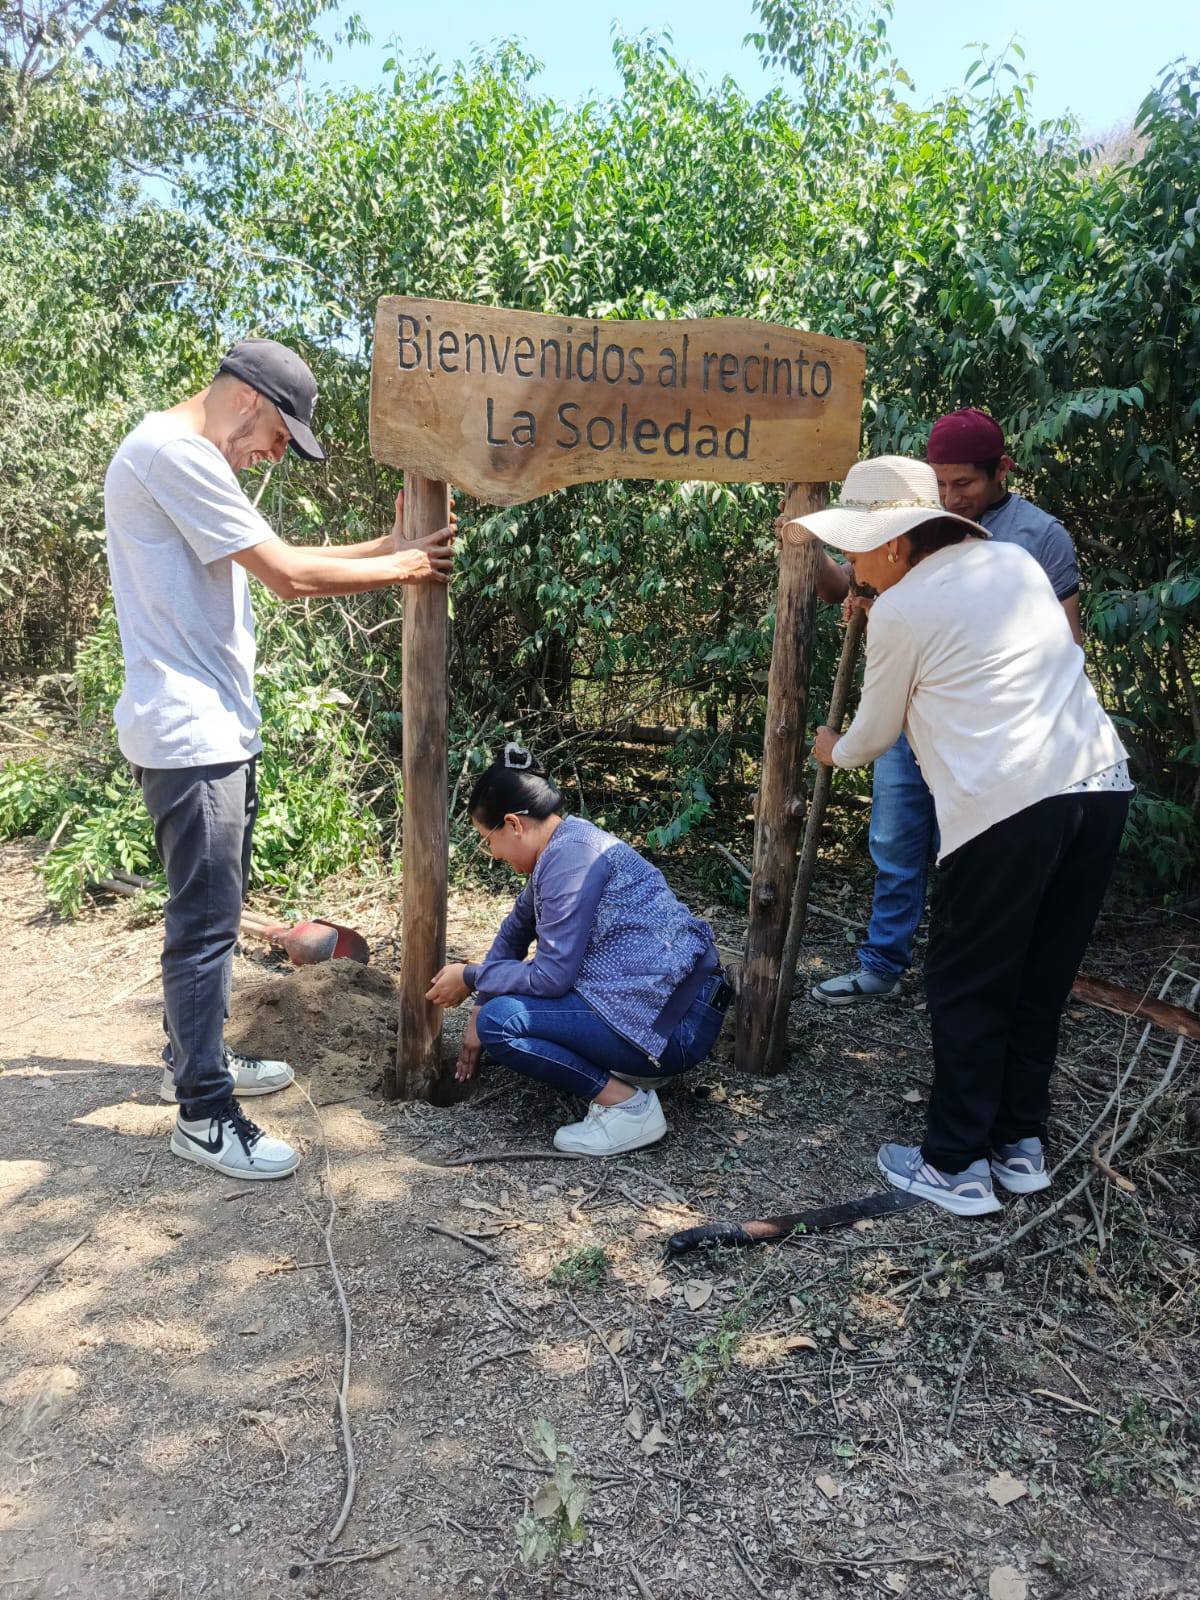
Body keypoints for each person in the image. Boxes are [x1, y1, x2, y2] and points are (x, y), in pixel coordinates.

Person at [104, 338, 457, 1182]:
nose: (273, 455)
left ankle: (193, 1060)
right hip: (191, 736)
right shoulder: (175, 453)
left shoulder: (183, 456)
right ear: (250, 400)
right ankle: (203, 1113)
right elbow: (289, 577)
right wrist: (407, 565)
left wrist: (386, 545)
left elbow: (285, 557)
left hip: (211, 729)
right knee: (204, 929)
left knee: (212, 916)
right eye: (278, 437)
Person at [786, 455, 1130, 1216]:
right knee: (1038, 979)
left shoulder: (903, 611)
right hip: (1099, 785)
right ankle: (1018, 1145)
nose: (853, 565)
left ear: (897, 543)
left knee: (967, 981)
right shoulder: (1012, 562)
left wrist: (830, 749)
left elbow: (871, 737)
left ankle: (953, 1165)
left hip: (1009, 803)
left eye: (859, 548)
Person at [809, 408, 1085, 1006]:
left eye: (965, 483)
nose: (951, 496)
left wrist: (839, 748)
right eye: (939, 483)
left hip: (988, 738)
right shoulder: (904, 533)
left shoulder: (1036, 539)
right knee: (895, 841)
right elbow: (861, 587)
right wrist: (875, 597)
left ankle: (960, 967)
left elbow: (1064, 644)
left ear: (1001, 470)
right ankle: (887, 963)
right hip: (912, 714)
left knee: (970, 851)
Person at [425, 745, 732, 1156]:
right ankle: (632, 1071)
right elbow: (515, 931)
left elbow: (551, 978)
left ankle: (628, 1108)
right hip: (666, 1010)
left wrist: (470, 978)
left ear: (513, 824)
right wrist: (479, 1005)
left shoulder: (571, 858)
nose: (493, 854)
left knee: (502, 1022)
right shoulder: (566, 843)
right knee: (493, 1012)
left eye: (488, 841)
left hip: (676, 1026)